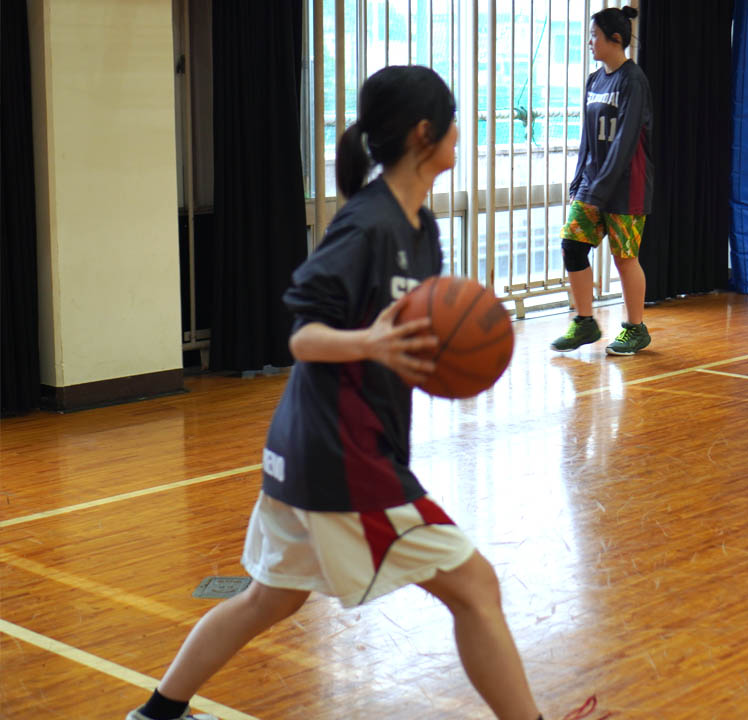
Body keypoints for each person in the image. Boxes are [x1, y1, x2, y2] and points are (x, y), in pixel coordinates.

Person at [125, 66, 543, 720]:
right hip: (341, 456)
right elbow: (301, 337)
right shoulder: (367, 225)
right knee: (475, 585)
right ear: (425, 133)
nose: (463, 131)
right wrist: (369, 345)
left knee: (270, 598)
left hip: (315, 447)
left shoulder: (421, 231)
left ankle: (155, 713)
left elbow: (404, 338)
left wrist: (436, 368)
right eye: (454, 121)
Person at [551, 6, 653, 357]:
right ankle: (585, 322)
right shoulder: (595, 80)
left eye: (594, 35)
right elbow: (588, 139)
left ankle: (635, 329)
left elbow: (625, 143)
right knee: (572, 246)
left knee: (625, 257)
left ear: (616, 39)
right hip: (593, 184)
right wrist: (581, 179)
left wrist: (600, 188)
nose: (590, 42)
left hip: (626, 187)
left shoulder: (633, 80)